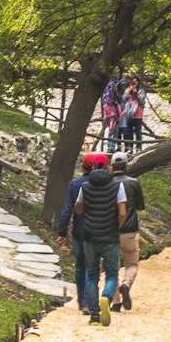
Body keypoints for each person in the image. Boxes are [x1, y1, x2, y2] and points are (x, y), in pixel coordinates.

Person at [73, 154, 126, 324]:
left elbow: (78, 208)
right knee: (111, 274)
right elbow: (123, 212)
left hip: (90, 236)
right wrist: (117, 227)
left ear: (93, 167)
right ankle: (106, 297)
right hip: (110, 237)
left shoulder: (85, 186)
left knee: (92, 276)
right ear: (108, 166)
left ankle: (94, 315)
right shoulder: (118, 186)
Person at [58, 153, 97, 313]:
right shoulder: (101, 184)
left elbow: (67, 210)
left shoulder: (75, 184)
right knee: (91, 267)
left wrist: (62, 232)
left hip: (79, 231)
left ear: (82, 165)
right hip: (95, 230)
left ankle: (81, 300)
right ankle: (88, 303)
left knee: (80, 266)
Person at [109, 150, 145, 310]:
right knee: (131, 263)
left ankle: (115, 303)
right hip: (130, 229)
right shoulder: (134, 182)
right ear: (126, 165)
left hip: (110, 230)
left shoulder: (106, 184)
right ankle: (126, 284)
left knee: (112, 268)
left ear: (111, 166)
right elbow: (141, 206)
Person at [121, 75, 146, 153]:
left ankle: (138, 148)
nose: (135, 83)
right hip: (129, 115)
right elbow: (124, 100)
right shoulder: (127, 90)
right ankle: (130, 148)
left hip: (138, 115)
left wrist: (136, 94)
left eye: (136, 81)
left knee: (138, 132)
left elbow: (142, 103)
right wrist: (129, 91)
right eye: (133, 81)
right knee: (129, 133)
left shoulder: (141, 91)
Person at [102, 77, 124, 154]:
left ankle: (113, 146)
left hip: (117, 117)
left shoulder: (117, 97)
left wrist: (118, 116)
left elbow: (119, 104)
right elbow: (107, 109)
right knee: (111, 131)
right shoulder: (107, 100)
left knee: (116, 132)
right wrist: (113, 116)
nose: (114, 89)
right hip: (111, 118)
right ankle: (109, 147)